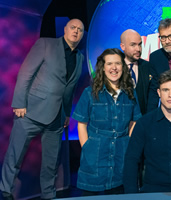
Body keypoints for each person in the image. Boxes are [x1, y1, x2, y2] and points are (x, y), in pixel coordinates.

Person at [0, 19, 84, 200]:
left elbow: (69, 90)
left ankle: (48, 194)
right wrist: (19, 103)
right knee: (15, 154)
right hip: (30, 111)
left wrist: (67, 114)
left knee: (51, 162)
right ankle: (5, 190)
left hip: (56, 117)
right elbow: (25, 72)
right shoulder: (46, 44)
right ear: (65, 29)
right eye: (73, 28)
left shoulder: (79, 57)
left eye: (80, 29)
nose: (76, 31)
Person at [72, 48, 141, 195]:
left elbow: (134, 121)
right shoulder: (89, 93)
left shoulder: (130, 93)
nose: (114, 68)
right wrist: (87, 148)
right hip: (95, 158)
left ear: (123, 66)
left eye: (117, 63)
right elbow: (81, 125)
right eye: (109, 64)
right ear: (103, 68)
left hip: (120, 157)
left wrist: (128, 142)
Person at [120, 29, 152, 115]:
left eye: (140, 44)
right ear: (123, 46)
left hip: (143, 122)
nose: (138, 49)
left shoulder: (148, 67)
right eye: (133, 45)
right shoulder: (115, 68)